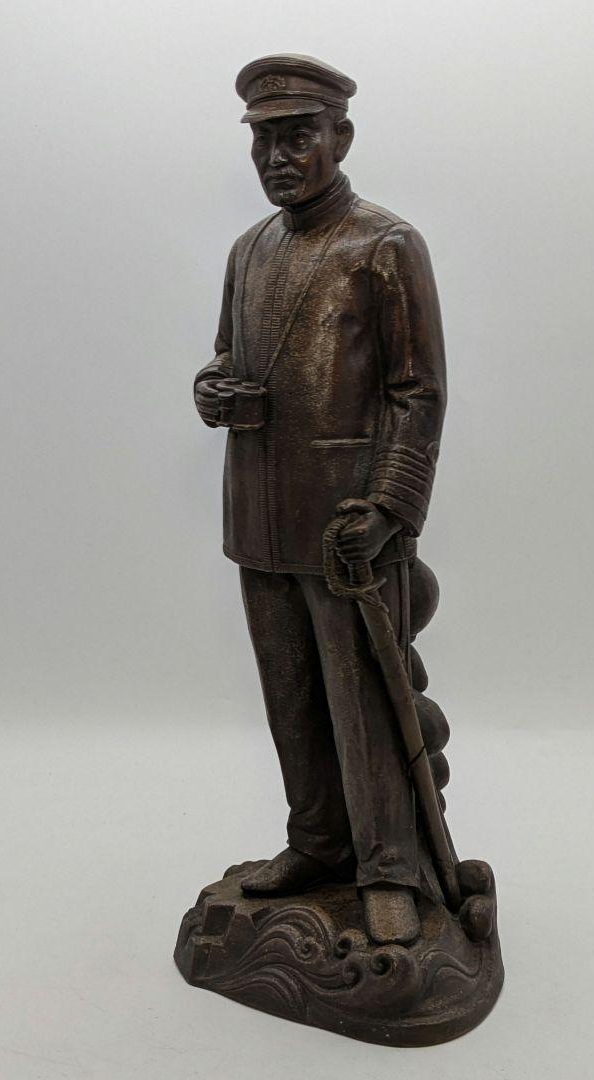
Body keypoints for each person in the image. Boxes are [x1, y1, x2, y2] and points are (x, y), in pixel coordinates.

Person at [193, 54, 447, 946]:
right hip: (258, 516)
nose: (277, 157)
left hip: (347, 527)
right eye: (264, 140)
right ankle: (317, 843)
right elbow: (225, 359)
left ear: (341, 136)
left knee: (364, 702)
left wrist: (388, 508)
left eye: (296, 136)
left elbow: (418, 392)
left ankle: (390, 869)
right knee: (290, 699)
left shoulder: (384, 245)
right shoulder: (248, 251)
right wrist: (212, 391)